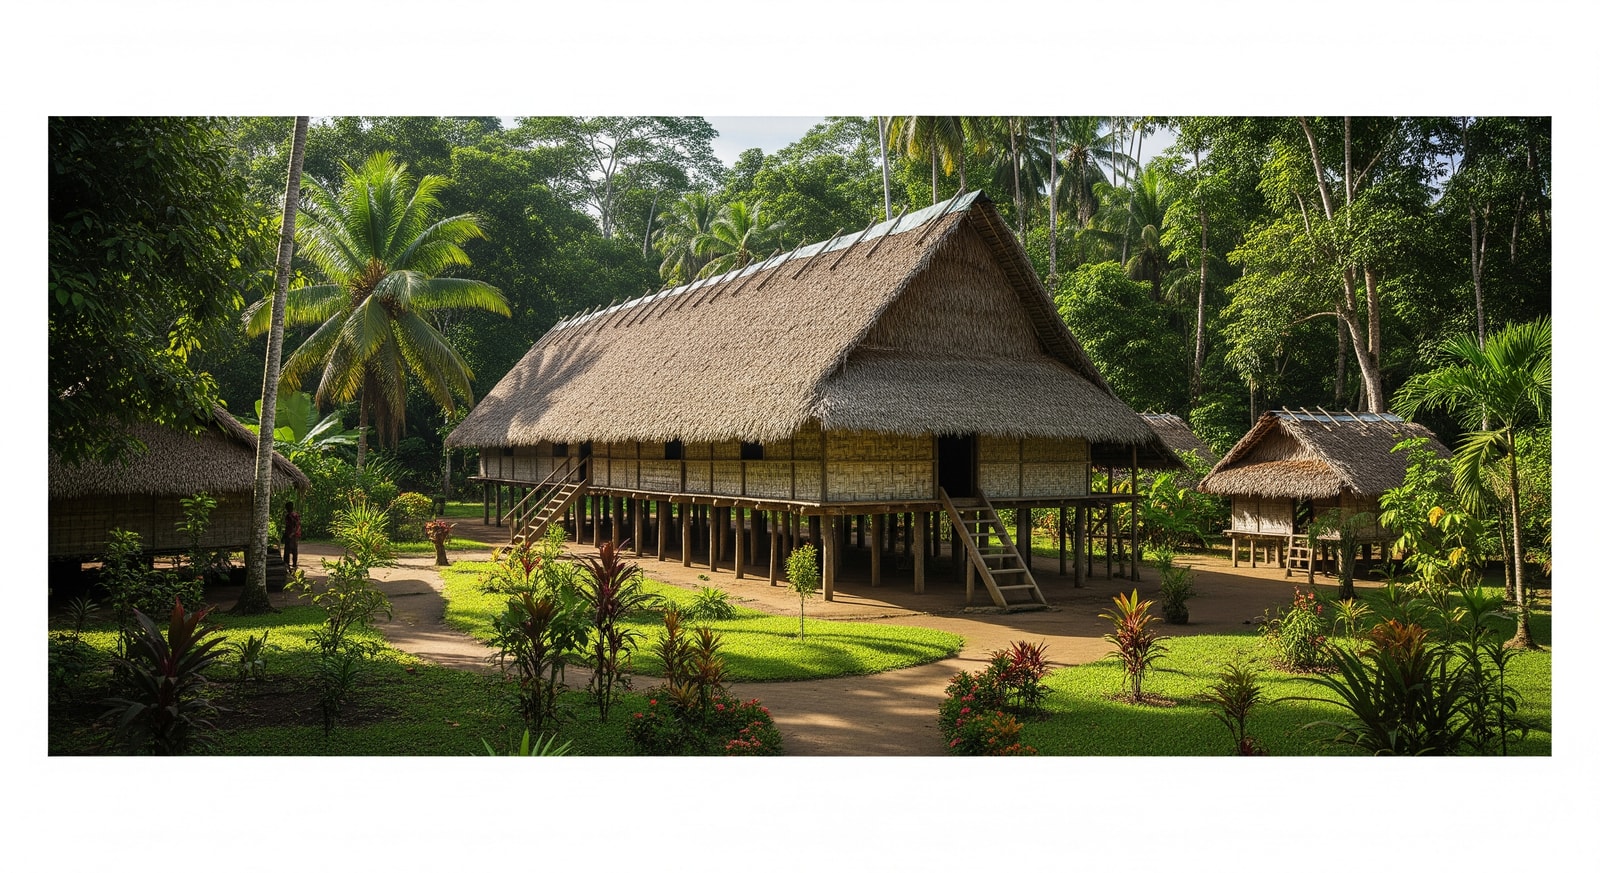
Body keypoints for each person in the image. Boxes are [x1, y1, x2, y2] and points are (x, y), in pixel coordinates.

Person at [283, 501, 302, 570]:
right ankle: (291, 564)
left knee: (289, 550)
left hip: (292, 535)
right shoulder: (293, 515)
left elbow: (295, 526)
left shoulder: (291, 516)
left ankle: (289, 564)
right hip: (294, 535)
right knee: (293, 550)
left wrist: (291, 534)